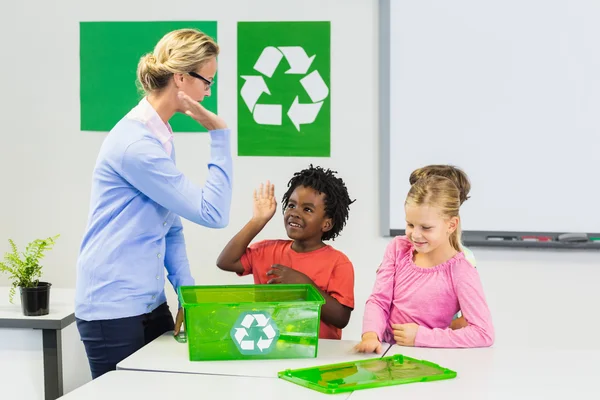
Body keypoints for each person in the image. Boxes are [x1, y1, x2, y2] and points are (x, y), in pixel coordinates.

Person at [75, 28, 233, 379]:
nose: (209, 91)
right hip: (111, 308)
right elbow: (213, 213)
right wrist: (219, 134)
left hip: (148, 302)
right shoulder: (136, 146)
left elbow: (170, 227)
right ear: (180, 77)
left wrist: (186, 295)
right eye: (207, 81)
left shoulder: (158, 136)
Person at [355, 169, 494, 353]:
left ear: (451, 225)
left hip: (427, 355)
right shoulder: (398, 248)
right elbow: (379, 300)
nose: (416, 234)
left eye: (426, 227)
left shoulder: (461, 271)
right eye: (410, 225)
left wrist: (421, 337)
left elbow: (483, 333)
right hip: (385, 351)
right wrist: (371, 335)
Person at [216, 165, 355, 340]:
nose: (295, 213)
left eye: (307, 209)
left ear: (326, 224)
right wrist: (258, 220)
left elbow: (341, 318)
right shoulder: (265, 250)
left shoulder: (338, 263)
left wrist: (305, 287)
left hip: (319, 354)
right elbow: (225, 262)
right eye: (291, 205)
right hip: (269, 348)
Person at [408, 164, 476, 329]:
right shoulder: (402, 251)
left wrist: (427, 333)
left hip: (434, 346)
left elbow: (468, 320)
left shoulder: (463, 261)